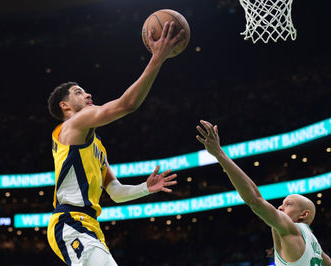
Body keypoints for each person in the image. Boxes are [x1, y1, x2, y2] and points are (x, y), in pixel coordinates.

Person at [46, 21, 183, 266]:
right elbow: (125, 105)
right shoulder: (74, 124)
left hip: (88, 225)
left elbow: (116, 193)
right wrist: (158, 59)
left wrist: (145, 188)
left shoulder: (95, 146)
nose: (88, 95)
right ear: (64, 106)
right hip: (70, 222)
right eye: (79, 92)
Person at [195, 120, 331, 266]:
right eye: (282, 204)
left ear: (303, 215)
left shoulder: (292, 228)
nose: (280, 208)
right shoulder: (317, 249)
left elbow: (255, 200)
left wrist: (219, 154)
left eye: (288, 204)